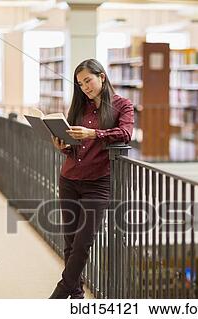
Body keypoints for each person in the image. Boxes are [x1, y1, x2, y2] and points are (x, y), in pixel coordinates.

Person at [49, 59, 134, 298]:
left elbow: (126, 133)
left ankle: (60, 291)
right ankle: (75, 294)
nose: (85, 87)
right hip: (69, 178)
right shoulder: (78, 107)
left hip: (98, 183)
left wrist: (94, 133)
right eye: (80, 83)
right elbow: (74, 147)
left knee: (83, 243)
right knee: (70, 240)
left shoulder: (122, 105)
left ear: (102, 77)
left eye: (88, 80)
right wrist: (63, 146)